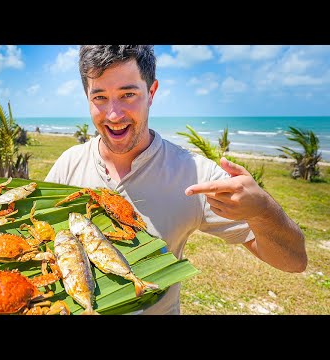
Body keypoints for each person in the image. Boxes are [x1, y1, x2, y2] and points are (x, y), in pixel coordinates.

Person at [45, 45, 307, 315]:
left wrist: (264, 211)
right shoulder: (69, 163)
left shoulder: (194, 174)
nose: (114, 115)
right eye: (99, 97)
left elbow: (294, 262)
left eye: (128, 94)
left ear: (152, 93)